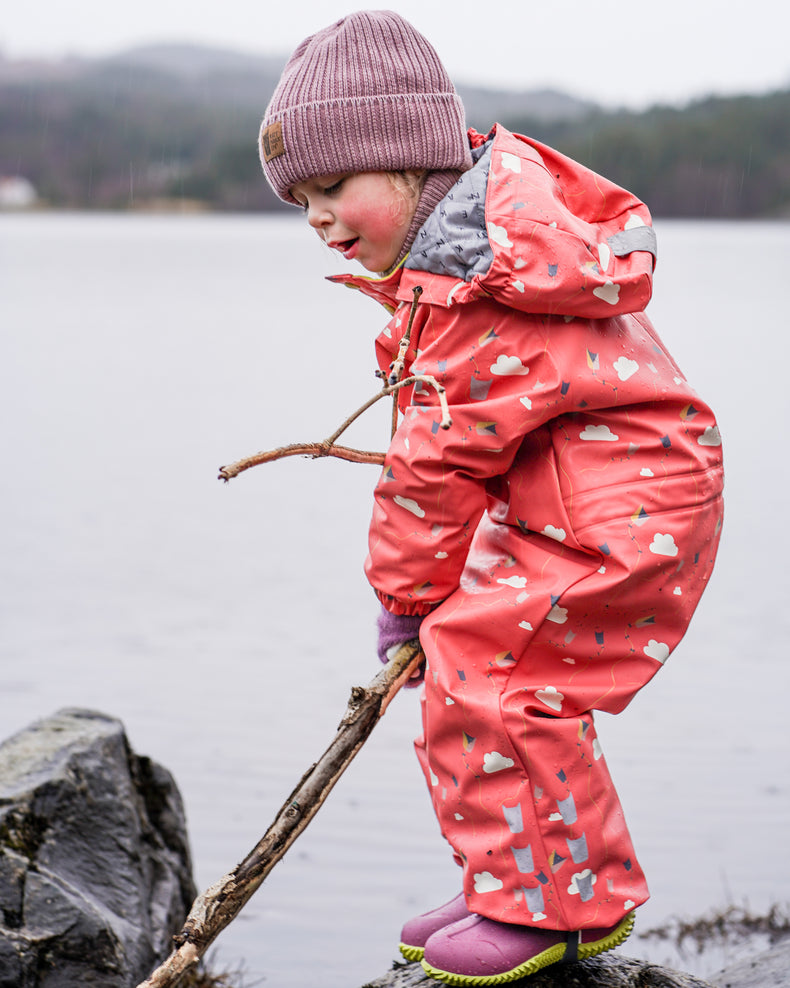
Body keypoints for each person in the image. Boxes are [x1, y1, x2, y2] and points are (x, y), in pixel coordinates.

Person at [258, 10, 724, 985]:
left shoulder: (476, 295)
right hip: (600, 503)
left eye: (331, 186)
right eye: (300, 198)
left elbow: (431, 474)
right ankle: (527, 886)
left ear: (412, 165)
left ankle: (544, 906)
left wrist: (405, 598)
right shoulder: (472, 270)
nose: (314, 216)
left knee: (492, 670)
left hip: (624, 515)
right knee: (511, 678)